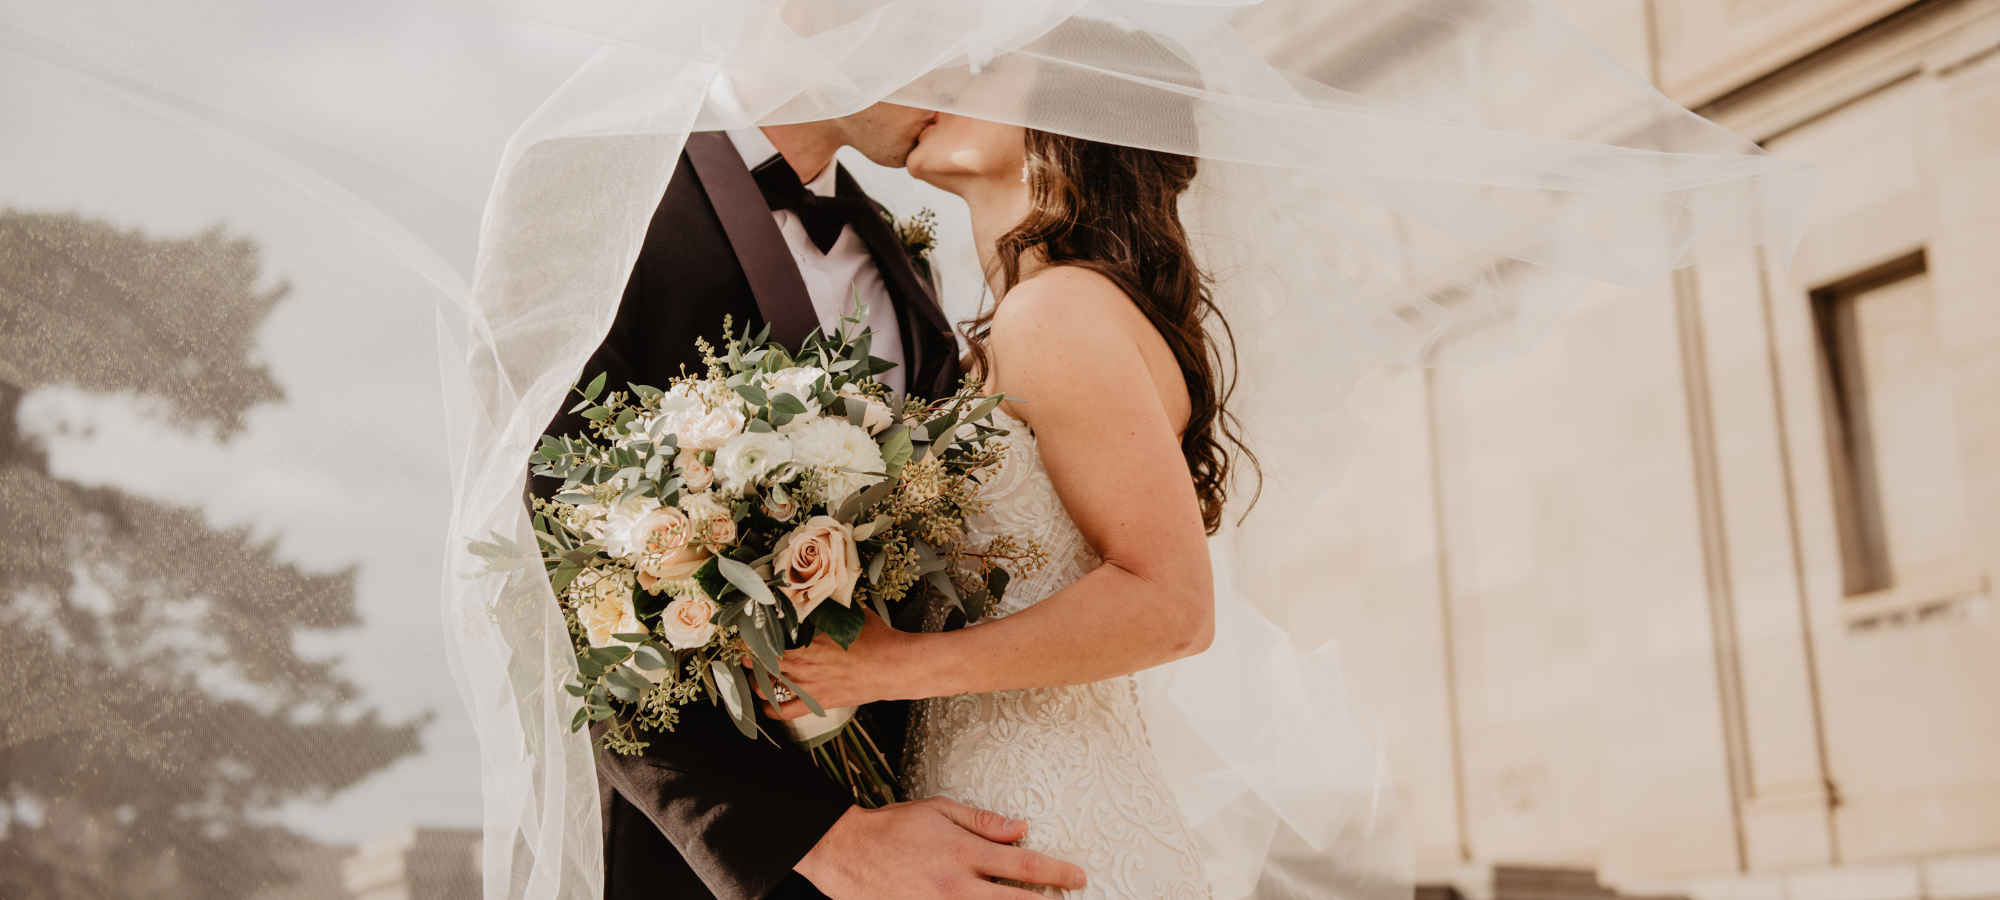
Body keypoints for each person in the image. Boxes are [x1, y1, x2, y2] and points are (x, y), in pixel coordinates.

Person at [533, 103, 1088, 900]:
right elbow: (555, 565)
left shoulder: (900, 253)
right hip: (714, 862)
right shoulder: (600, 190)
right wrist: (822, 838)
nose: (959, 80)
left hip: (936, 825)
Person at [753, 104, 1245, 896]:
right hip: (992, 805)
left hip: (1039, 811)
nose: (943, 84)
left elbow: (1173, 605)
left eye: (985, 74)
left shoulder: (1055, 313)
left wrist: (890, 667)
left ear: (1060, 127)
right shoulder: (1038, 315)